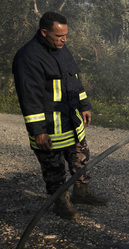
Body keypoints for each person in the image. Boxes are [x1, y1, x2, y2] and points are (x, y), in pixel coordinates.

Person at [12, 12, 107, 221]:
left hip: (72, 122)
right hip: (49, 128)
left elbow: (75, 80)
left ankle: (82, 193)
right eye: (58, 36)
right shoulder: (28, 57)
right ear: (44, 32)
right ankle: (61, 203)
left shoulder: (62, 49)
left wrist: (84, 105)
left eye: (66, 35)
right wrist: (39, 131)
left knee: (81, 159)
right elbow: (30, 98)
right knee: (54, 169)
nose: (64, 40)